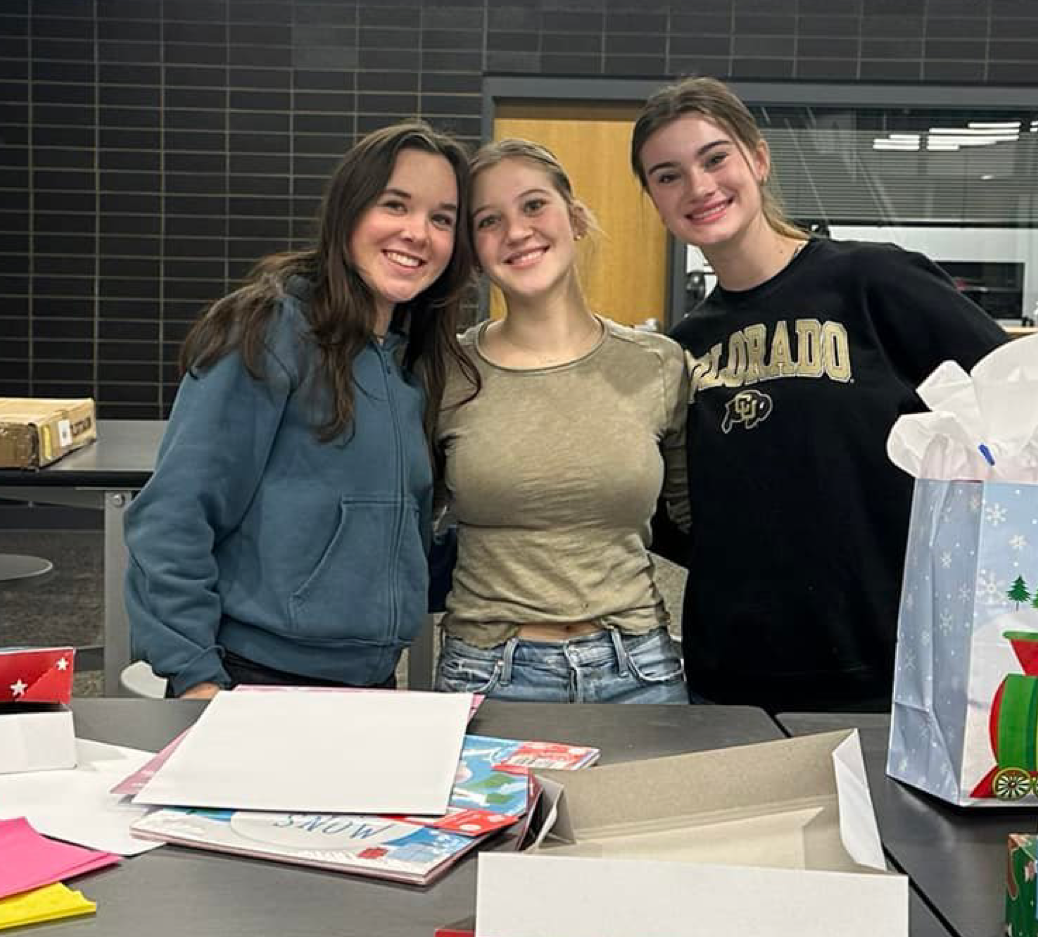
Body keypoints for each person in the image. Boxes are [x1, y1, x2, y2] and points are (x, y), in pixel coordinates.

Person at [631, 77, 1008, 713]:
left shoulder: (871, 280)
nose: (698, 187)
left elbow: (1017, 399)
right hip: (735, 678)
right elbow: (679, 515)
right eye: (667, 176)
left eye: (714, 158)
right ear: (654, 199)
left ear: (757, 157)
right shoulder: (682, 349)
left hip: (888, 666)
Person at [125, 120, 475, 698]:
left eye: (442, 218)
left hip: (372, 683)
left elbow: (390, 541)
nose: (419, 233)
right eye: (396, 205)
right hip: (253, 680)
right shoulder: (267, 328)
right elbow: (174, 515)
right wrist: (194, 678)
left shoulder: (412, 363)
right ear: (348, 212)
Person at [433, 138, 689, 703]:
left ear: (573, 219)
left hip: (640, 669)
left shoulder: (658, 364)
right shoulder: (446, 372)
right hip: (488, 674)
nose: (516, 231)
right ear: (473, 251)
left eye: (532, 206)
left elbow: (698, 520)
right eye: (488, 220)